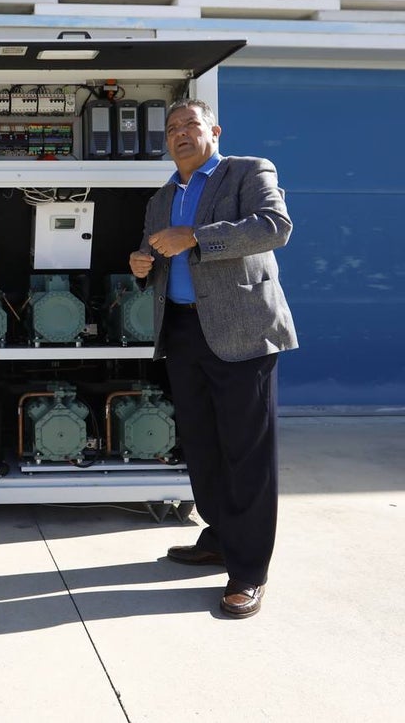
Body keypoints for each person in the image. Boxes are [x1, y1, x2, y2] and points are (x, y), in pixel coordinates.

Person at [128, 99, 297, 619]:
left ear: (214, 131)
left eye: (191, 125)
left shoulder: (247, 172)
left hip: (242, 333)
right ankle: (221, 537)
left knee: (246, 454)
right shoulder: (162, 197)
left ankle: (248, 572)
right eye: (172, 129)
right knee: (202, 449)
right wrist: (141, 264)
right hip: (182, 333)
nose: (180, 134)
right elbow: (155, 252)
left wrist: (197, 236)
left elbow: (273, 226)